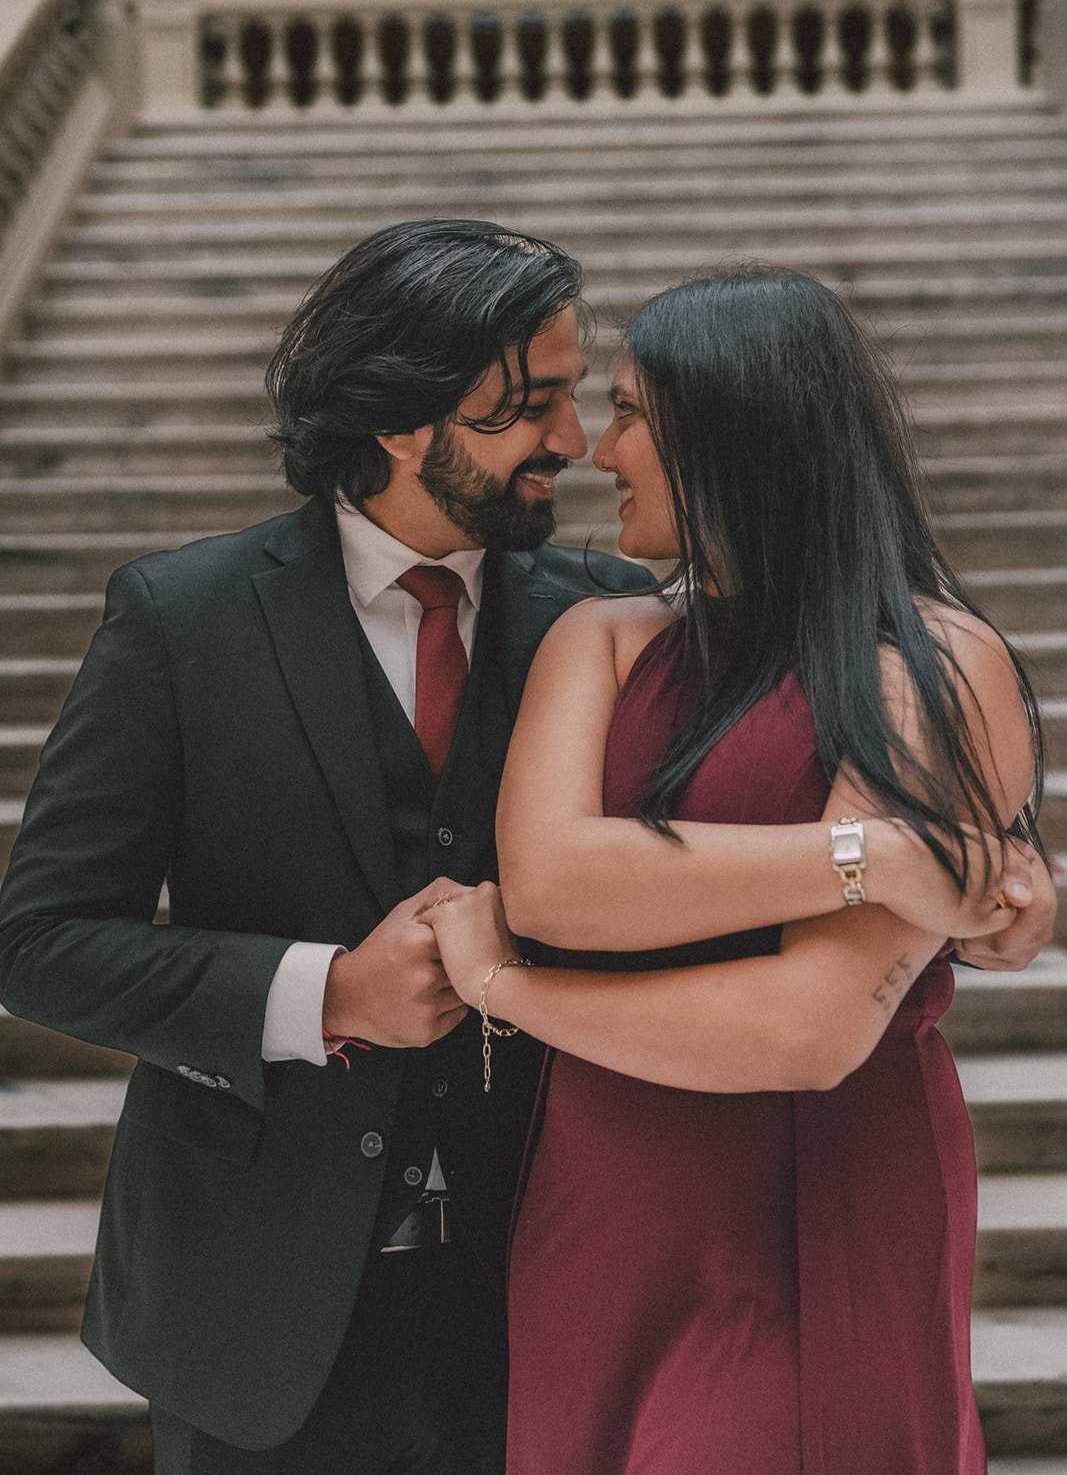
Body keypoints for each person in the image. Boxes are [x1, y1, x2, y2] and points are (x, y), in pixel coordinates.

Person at [0, 232, 1048, 1475]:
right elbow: (42, 942)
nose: (570, 440)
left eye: (580, 398)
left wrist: (982, 891)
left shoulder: (614, 608)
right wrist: (323, 993)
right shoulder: (183, 618)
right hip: (264, 1298)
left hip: (545, 1260)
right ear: (399, 422)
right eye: (530, 404)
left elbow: (829, 802)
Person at [424, 267, 1057, 1475]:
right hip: (597, 1191)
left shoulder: (933, 662)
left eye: (630, 414)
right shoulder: (599, 638)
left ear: (733, 428)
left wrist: (509, 990)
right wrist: (871, 855)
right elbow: (555, 880)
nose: (601, 451)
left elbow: (803, 1031)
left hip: (818, 1185)